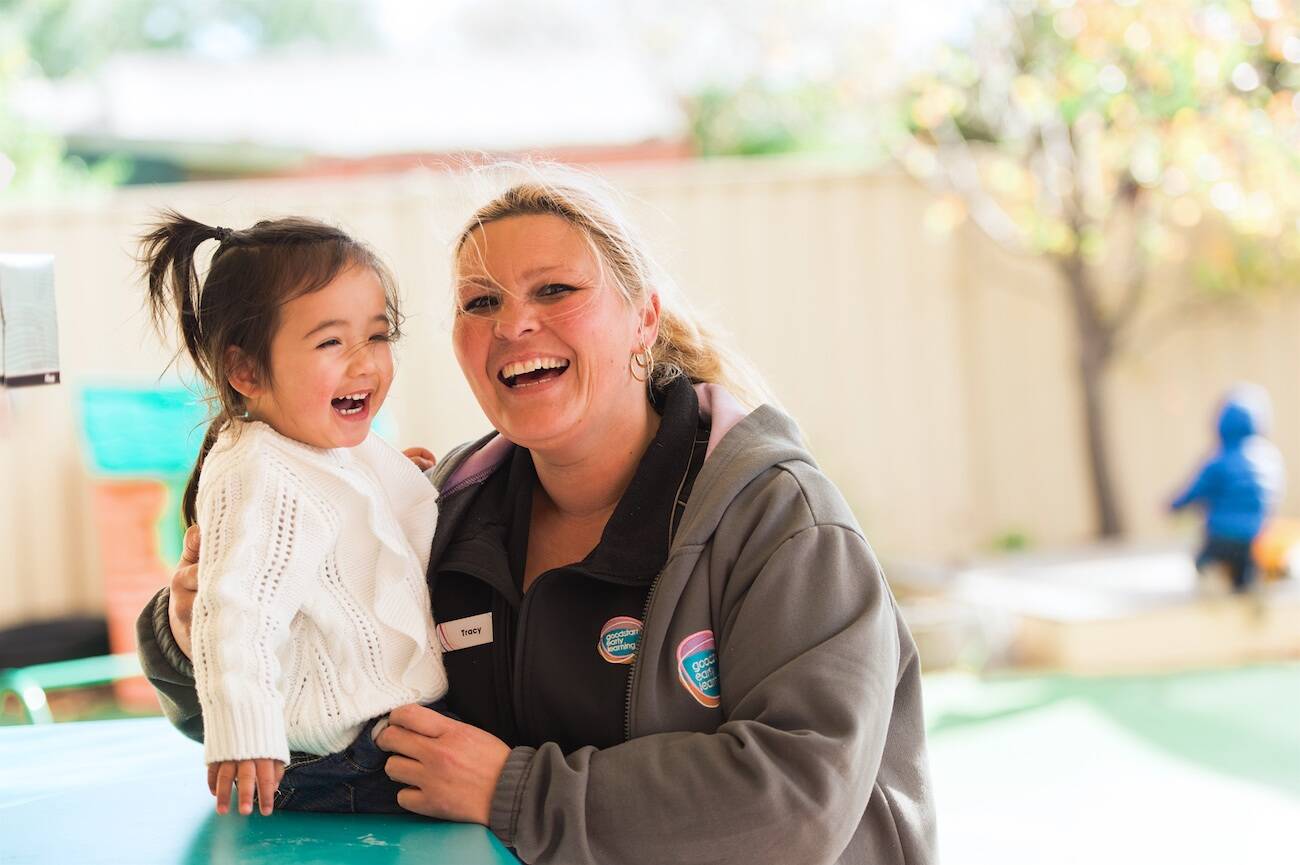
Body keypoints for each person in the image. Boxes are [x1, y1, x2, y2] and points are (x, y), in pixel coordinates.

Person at [137, 171, 937, 864]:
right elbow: (313, 700)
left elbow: (797, 802)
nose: (514, 324)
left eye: (554, 290)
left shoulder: (777, 521)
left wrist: (514, 790)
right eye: (481, 302)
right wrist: (185, 630)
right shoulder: (442, 509)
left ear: (643, 318)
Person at [138, 213, 449, 817]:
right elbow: (238, 610)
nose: (364, 363)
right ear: (246, 371)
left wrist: (387, 486)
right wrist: (245, 730)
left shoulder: (328, 447)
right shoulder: (258, 468)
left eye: (378, 336)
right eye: (331, 342)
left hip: (380, 733)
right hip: (341, 761)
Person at [1170, 384, 1286, 593]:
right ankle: (1247, 588)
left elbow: (1196, 490)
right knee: (1243, 582)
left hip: (1220, 534)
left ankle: (1210, 579)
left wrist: (1174, 506)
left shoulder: (1219, 460)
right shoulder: (1269, 458)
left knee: (1203, 564)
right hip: (1255, 535)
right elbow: (1273, 494)